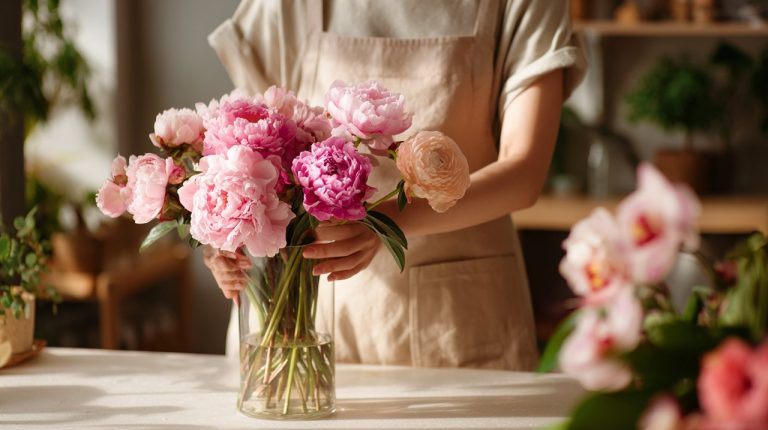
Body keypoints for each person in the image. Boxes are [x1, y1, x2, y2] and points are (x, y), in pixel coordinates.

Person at [204, 0, 586, 370]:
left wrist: (384, 223)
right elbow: (253, 145)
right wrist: (221, 233)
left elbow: (523, 174)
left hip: (455, 322)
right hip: (297, 320)